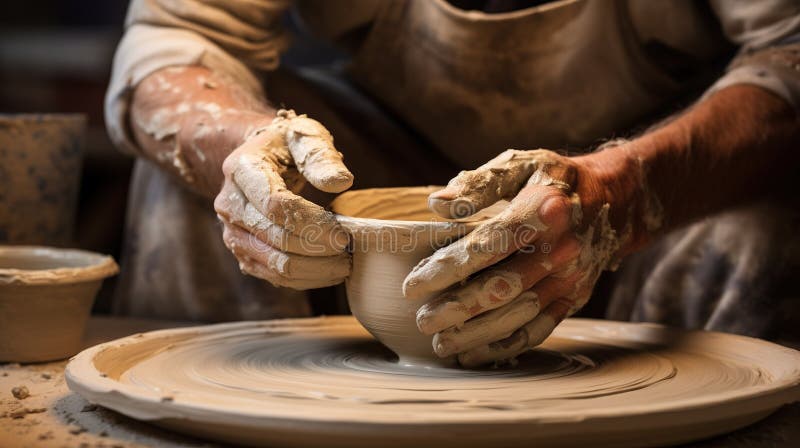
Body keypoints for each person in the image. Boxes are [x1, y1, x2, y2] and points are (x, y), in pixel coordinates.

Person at [106, 0, 800, 366]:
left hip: (640, 173)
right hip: (375, 156)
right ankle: (202, 415)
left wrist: (627, 191)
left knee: (757, 236)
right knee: (209, 182)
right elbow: (176, 36)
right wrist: (239, 149)